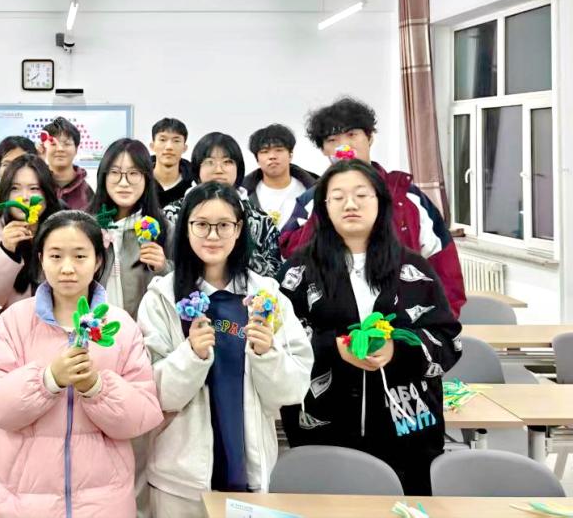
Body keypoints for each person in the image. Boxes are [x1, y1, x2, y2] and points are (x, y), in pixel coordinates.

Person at [278, 159, 461, 495]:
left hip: (407, 429)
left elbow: (448, 339)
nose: (350, 204)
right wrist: (333, 348)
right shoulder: (297, 272)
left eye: (361, 195)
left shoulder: (414, 268)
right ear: (324, 207)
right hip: (324, 425)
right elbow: (280, 345)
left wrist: (398, 349)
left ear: (380, 202)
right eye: (338, 197)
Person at [0, 210, 163, 518]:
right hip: (21, 504)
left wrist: (97, 388)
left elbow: (142, 416)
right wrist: (48, 380)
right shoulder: (15, 320)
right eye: (56, 256)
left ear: (98, 261)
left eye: (80, 256)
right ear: (41, 259)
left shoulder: (121, 327)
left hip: (104, 504)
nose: (68, 268)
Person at [138, 182, 313, 515]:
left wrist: (267, 354)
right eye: (202, 224)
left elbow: (292, 390)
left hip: (251, 475)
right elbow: (153, 395)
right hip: (179, 482)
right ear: (186, 228)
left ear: (239, 229)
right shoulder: (161, 298)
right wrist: (192, 356)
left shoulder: (267, 297)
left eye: (223, 225)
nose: (213, 235)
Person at [278, 97, 466, 316]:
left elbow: (443, 264)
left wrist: (440, 322)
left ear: (370, 138)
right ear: (324, 150)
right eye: (332, 139)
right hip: (331, 325)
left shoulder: (407, 197)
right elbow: (290, 263)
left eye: (352, 135)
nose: (344, 145)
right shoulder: (310, 202)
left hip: (402, 324)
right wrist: (324, 210)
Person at [162, 132, 282, 278]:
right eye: (209, 162)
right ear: (197, 168)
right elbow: (162, 264)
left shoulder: (261, 220)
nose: (219, 170)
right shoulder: (172, 214)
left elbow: (276, 274)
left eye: (227, 162)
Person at [87, 138, 170, 318]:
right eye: (115, 172)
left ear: (146, 178)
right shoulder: (87, 226)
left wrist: (163, 267)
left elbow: (183, 283)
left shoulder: (163, 227)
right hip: (93, 327)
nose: (124, 182)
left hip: (144, 329)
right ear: (103, 176)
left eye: (133, 173)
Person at [0, 154, 65, 309]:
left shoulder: (64, 233)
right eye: (15, 188)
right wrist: (5, 251)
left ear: (47, 192)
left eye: (34, 188)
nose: (24, 197)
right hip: (5, 323)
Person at [241, 123, 316, 232]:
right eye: (264, 152)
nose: (272, 156)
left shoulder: (314, 191)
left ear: (290, 154)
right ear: (257, 159)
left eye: (279, 150)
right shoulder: (242, 195)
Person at [38, 116, 95, 211]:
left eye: (67, 144)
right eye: (53, 144)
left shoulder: (86, 192)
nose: (60, 149)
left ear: (76, 149)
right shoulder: (36, 185)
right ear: (44, 148)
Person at [150, 117, 193, 206]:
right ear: (152, 146)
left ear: (184, 148)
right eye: (162, 140)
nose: (169, 147)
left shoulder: (194, 184)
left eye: (176, 141)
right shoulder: (139, 180)